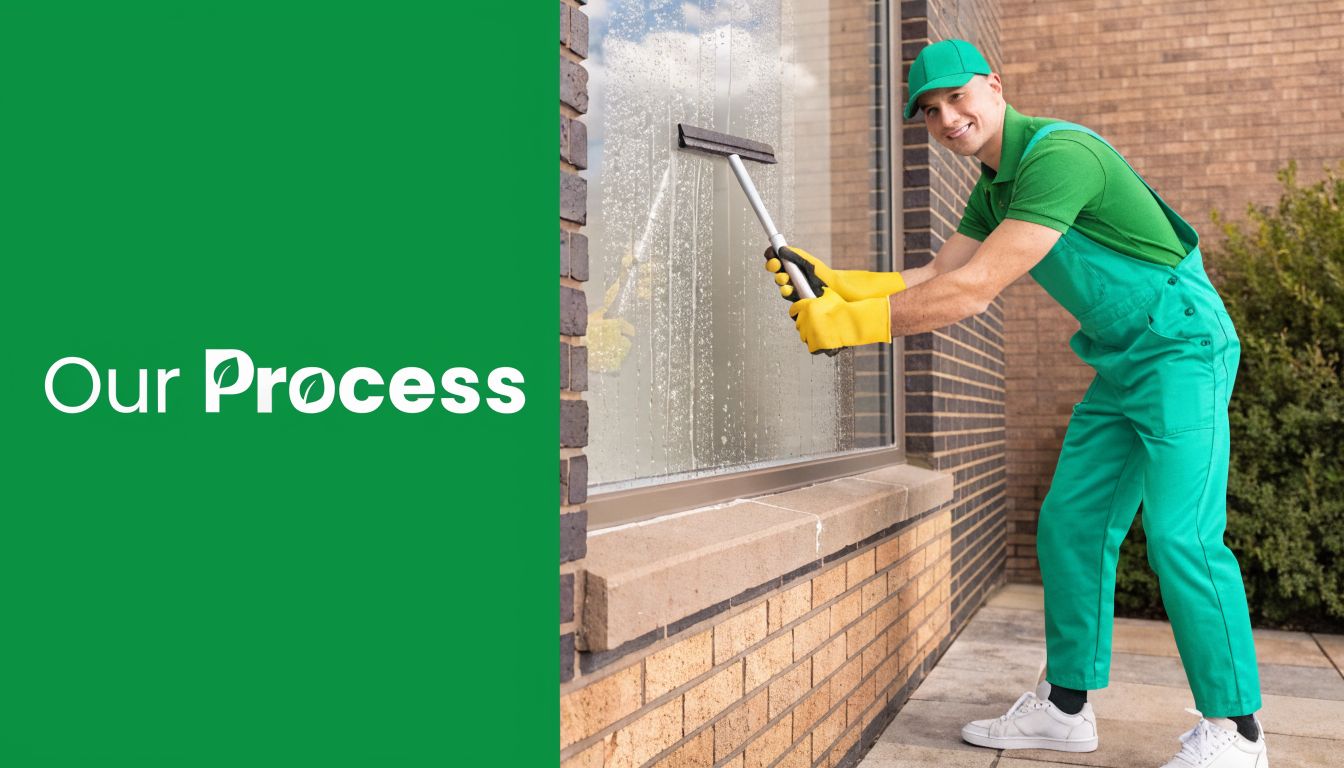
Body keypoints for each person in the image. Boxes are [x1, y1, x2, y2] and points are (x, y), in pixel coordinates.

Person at [766, 39, 1268, 768]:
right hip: (1124, 362)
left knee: (1183, 535)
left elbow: (972, 291)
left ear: (993, 86)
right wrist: (836, 282)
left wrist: (852, 328)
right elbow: (939, 271)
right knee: (1070, 523)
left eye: (956, 98)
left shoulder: (1062, 156)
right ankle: (1065, 711)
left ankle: (1238, 734)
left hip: (1184, 348)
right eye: (930, 111)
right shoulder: (995, 185)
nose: (946, 118)